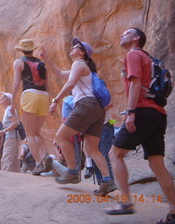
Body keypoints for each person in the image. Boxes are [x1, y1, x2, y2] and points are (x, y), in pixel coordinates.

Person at [106, 28, 175, 222]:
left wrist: (131, 112)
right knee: (157, 163)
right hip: (158, 114)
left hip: (142, 111)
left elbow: (135, 83)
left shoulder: (133, 54)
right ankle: (173, 209)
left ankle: (126, 203)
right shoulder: (150, 59)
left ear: (136, 38)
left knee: (115, 154)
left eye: (126, 33)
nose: (121, 35)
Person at [40, 38, 116, 195]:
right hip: (97, 109)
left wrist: (55, 100)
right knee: (92, 149)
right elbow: (61, 74)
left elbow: (70, 83)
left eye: (75, 47)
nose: (71, 49)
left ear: (82, 52)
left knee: (61, 136)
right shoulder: (84, 67)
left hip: (86, 105)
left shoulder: (79, 63)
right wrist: (47, 59)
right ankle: (107, 181)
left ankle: (73, 172)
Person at [11, 39, 52, 175]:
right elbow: (47, 83)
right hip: (44, 96)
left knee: (29, 134)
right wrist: (52, 100)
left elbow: (17, 82)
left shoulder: (19, 62)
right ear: (32, 49)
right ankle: (45, 156)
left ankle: (39, 163)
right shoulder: (41, 63)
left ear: (21, 49)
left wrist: (12, 102)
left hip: (29, 95)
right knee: (36, 133)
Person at [0, 92, 21, 172]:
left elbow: (15, 123)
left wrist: (3, 131)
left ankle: (5, 179)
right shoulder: (8, 109)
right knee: (14, 161)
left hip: (11, 137)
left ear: (8, 100)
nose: (0, 99)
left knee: (6, 159)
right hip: (13, 137)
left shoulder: (9, 109)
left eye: (3, 97)